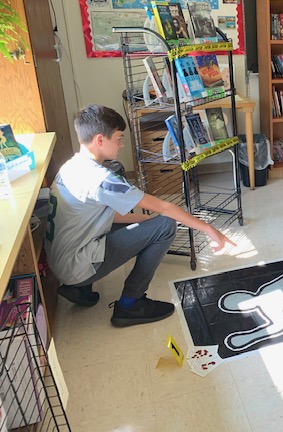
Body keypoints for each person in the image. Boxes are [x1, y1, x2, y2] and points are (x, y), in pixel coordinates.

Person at [45, 105, 236, 327]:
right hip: (76, 265)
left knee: (154, 225)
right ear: (99, 140)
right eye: (119, 138)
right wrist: (209, 229)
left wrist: (145, 224)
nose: (122, 144)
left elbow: (102, 217)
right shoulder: (101, 179)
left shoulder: (70, 167)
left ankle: (80, 289)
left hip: (62, 262)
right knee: (166, 225)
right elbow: (163, 208)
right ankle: (130, 304)